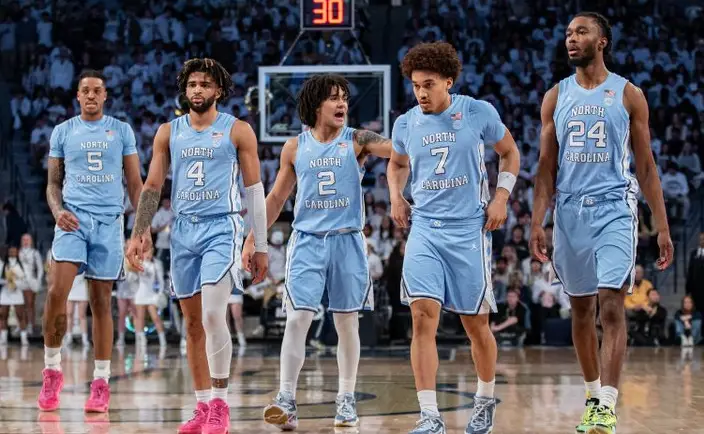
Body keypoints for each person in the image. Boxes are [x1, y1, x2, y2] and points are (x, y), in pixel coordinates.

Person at [529, 12, 674, 434]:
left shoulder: (629, 94)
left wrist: (662, 226)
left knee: (611, 304)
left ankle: (607, 404)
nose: (571, 39)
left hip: (615, 208)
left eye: (581, 32)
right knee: (580, 309)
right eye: (568, 33)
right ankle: (593, 395)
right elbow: (545, 167)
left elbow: (646, 166)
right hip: (569, 211)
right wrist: (538, 221)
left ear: (602, 40)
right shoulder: (555, 96)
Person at [241, 73, 391, 430]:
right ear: (315, 105)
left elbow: (396, 149)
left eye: (344, 98)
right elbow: (276, 199)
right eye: (333, 98)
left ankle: (346, 399)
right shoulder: (295, 147)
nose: (342, 104)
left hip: (347, 239)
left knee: (347, 323)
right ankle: (287, 400)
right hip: (307, 240)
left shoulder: (357, 139)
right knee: (297, 319)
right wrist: (253, 238)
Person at [126, 58, 268, 434]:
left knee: (213, 315)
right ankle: (203, 406)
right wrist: (140, 230)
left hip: (222, 228)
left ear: (218, 90)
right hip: (183, 231)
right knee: (191, 324)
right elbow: (152, 186)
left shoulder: (238, 130)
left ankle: (221, 404)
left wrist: (260, 243)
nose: (197, 90)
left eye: (205, 84)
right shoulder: (167, 132)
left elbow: (255, 191)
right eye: (191, 84)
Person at [388, 41, 520, 434]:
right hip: (425, 229)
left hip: (469, 231)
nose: (421, 93)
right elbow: (397, 163)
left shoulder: (478, 112)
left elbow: (510, 153)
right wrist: (396, 196)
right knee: (421, 317)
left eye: (428, 84)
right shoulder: (406, 123)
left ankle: (484, 401)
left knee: (475, 325)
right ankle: (429, 416)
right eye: (415, 86)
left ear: (449, 81)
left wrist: (501, 197)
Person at [38, 70, 143, 413]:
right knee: (57, 292)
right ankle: (52, 370)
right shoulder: (63, 131)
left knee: (101, 302)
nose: (92, 95)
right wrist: (57, 211)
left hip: (109, 222)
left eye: (97, 90)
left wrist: (141, 228)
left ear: (105, 95)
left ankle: (101, 383)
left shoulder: (121, 130)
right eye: (86, 90)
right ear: (78, 96)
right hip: (72, 219)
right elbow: (53, 183)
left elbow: (135, 184)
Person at [132, 247, 166, 351]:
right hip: (140, 294)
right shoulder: (139, 262)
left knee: (156, 317)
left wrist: (160, 293)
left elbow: (161, 281)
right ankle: (142, 340)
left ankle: (162, 341)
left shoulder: (156, 263)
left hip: (151, 295)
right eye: (147, 252)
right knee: (140, 318)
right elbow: (134, 278)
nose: (149, 254)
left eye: (151, 252)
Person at [0, 246, 30, 346]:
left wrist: (16, 283)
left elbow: (25, 281)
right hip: (5, 293)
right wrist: (7, 281)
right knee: (3, 316)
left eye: (14, 251)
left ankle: (24, 339)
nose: (12, 253)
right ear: (7, 253)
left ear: (17, 253)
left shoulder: (21, 265)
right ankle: (3, 339)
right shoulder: (2, 264)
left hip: (17, 293)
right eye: (10, 251)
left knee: (20, 316)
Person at [19, 233, 43, 334]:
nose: (25, 242)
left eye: (27, 240)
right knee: (20, 305)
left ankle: (30, 325)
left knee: (30, 304)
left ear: (31, 241)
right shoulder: (18, 252)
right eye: (24, 240)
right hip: (20, 281)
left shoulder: (35, 253)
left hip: (31, 281)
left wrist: (38, 280)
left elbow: (40, 268)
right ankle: (22, 325)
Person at [64, 271, 90, 348]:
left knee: (82, 315)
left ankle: (84, 339)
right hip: (70, 287)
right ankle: (69, 338)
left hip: (82, 288)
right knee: (69, 314)